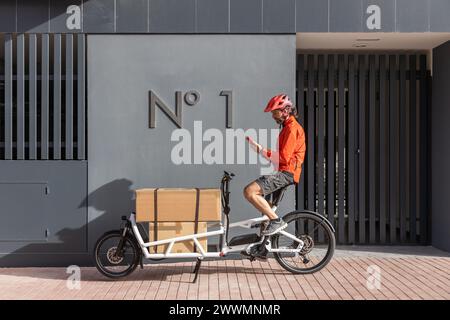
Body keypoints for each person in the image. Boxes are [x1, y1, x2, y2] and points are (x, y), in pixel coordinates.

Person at [244, 94, 306, 241]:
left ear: (285, 110)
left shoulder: (292, 129)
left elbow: (284, 157)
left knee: (250, 191)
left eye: (274, 111)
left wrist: (261, 150)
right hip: (284, 172)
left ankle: (276, 221)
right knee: (266, 210)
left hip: (287, 173)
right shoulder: (287, 128)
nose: (273, 115)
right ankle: (262, 248)